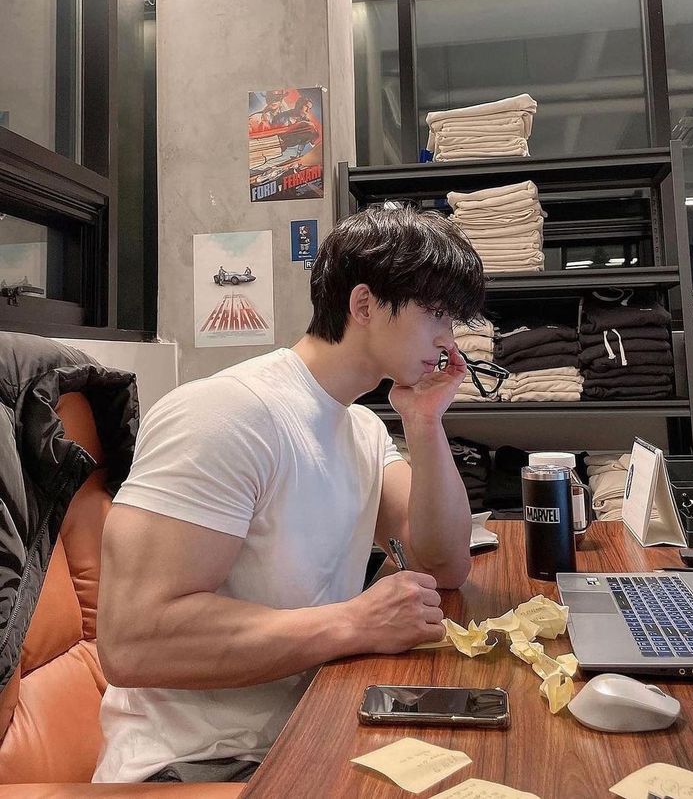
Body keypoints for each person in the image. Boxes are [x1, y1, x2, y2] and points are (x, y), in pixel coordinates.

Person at [93, 206, 486, 784]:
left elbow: (445, 564)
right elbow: (134, 642)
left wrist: (425, 422)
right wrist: (354, 623)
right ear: (363, 305)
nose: (448, 341)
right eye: (435, 314)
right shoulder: (226, 413)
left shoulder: (361, 428)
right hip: (205, 762)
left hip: (317, 724)